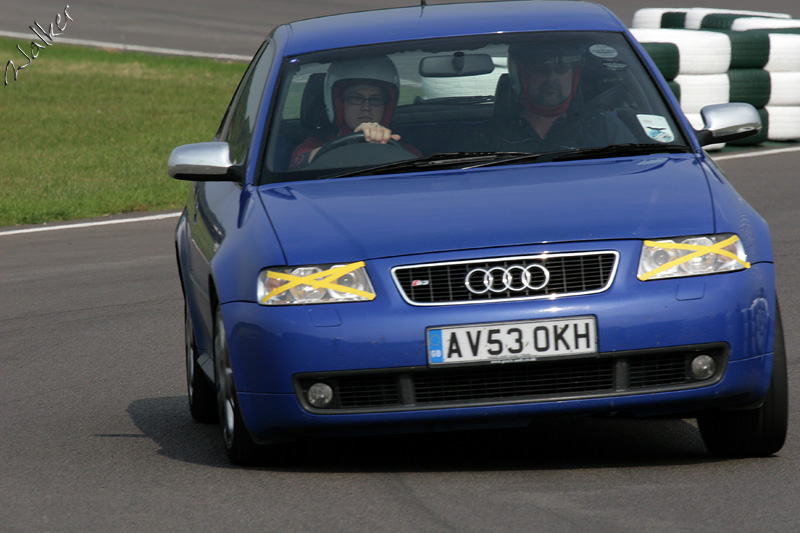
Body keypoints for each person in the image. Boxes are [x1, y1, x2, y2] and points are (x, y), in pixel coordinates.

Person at [493, 42, 635, 152]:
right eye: (541, 70)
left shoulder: (602, 125)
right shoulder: (494, 133)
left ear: (574, 76)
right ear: (522, 77)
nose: (551, 78)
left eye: (561, 69)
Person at [290, 56, 416, 169]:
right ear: (339, 103)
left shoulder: (405, 151)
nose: (366, 107)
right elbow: (298, 164)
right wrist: (352, 143)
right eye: (356, 98)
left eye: (376, 99)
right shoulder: (312, 146)